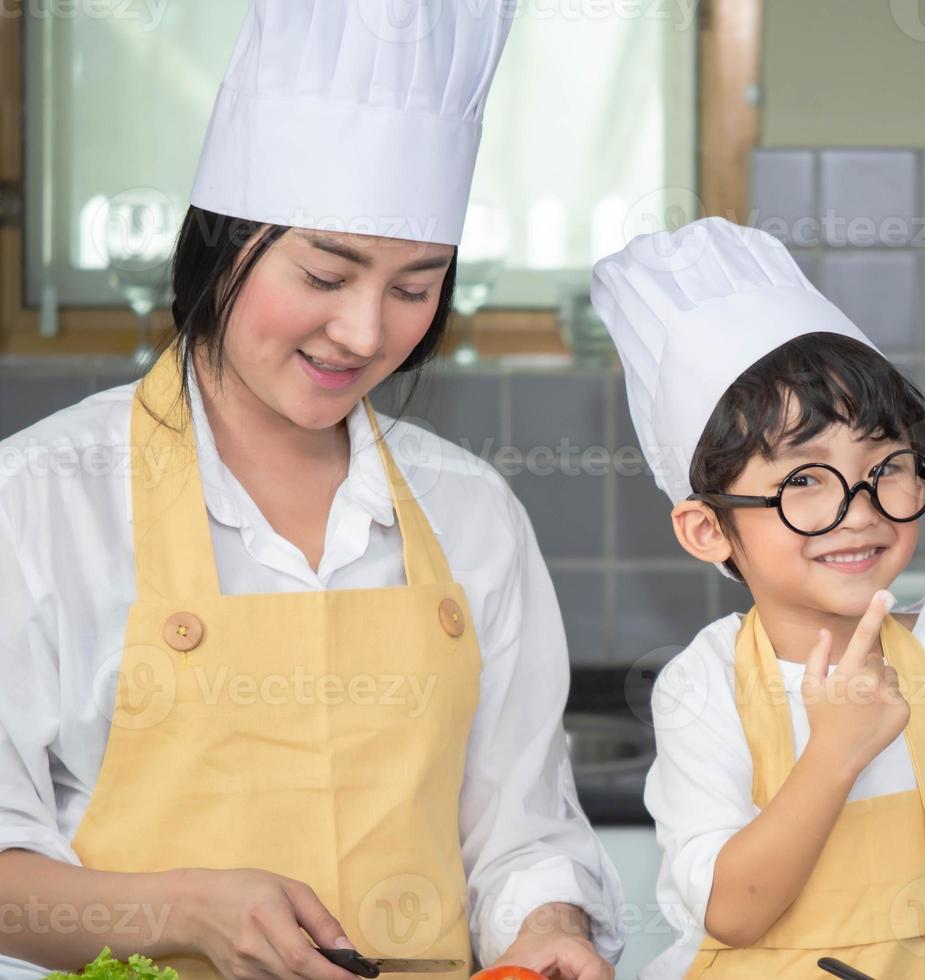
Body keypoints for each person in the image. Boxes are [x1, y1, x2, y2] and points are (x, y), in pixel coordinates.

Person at [0, 3, 621, 978]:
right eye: (326, 272)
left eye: (416, 288)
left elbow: (522, 834)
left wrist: (549, 926)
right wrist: (185, 908)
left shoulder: (474, 514)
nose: (366, 332)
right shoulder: (39, 502)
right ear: (221, 243)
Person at [588, 217, 925, 979]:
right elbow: (733, 910)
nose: (860, 508)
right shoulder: (701, 685)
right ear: (707, 530)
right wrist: (835, 753)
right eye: (804, 480)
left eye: (888, 465)